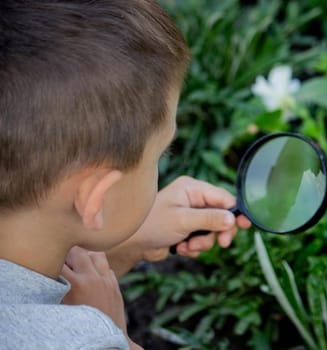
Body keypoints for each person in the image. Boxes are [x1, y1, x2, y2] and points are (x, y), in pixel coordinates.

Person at [0, 1, 251, 349]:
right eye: (160, 155)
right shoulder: (85, 341)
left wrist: (118, 242)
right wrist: (110, 331)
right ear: (96, 199)